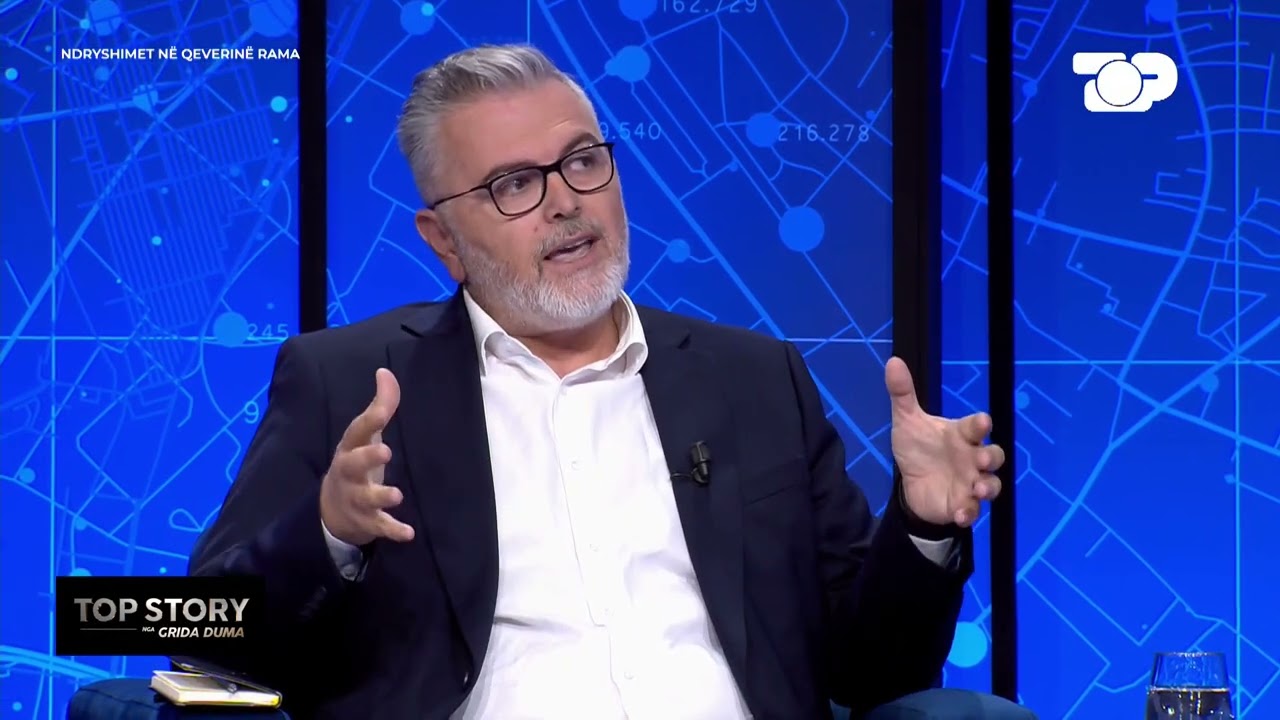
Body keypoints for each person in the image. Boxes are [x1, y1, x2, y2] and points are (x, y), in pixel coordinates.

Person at [189, 44, 1028, 720]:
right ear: (442, 240)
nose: (565, 202)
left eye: (582, 161)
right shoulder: (349, 383)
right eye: (515, 185)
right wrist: (328, 532)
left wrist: (922, 526)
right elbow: (202, 632)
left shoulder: (754, 380)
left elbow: (872, 671)